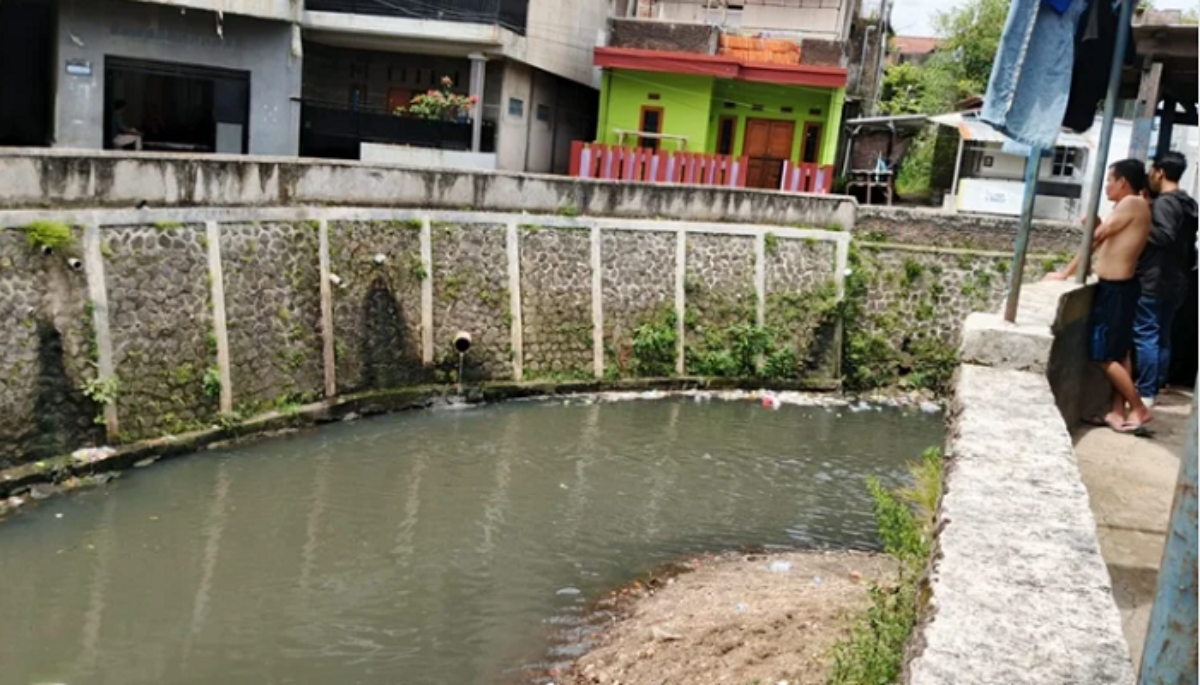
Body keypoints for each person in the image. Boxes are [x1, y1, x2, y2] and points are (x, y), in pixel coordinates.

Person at [1045, 159, 1153, 433]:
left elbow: (1098, 238)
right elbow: (1109, 237)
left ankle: (1138, 408)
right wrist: (1096, 223)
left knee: (1103, 355)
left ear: (1123, 182)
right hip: (1118, 288)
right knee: (1119, 353)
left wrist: (1066, 273)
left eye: (1109, 180)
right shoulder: (1133, 206)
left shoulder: (1132, 203)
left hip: (1116, 290)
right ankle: (1117, 411)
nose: (1106, 186)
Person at [1135, 152, 1198, 407]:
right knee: (1161, 335)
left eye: (1152, 170)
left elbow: (1165, 236)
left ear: (1160, 172)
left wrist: (1140, 219)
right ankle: (1156, 385)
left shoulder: (1165, 203)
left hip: (1156, 278)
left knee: (1147, 333)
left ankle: (1146, 393)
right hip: (1177, 280)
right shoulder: (1187, 203)